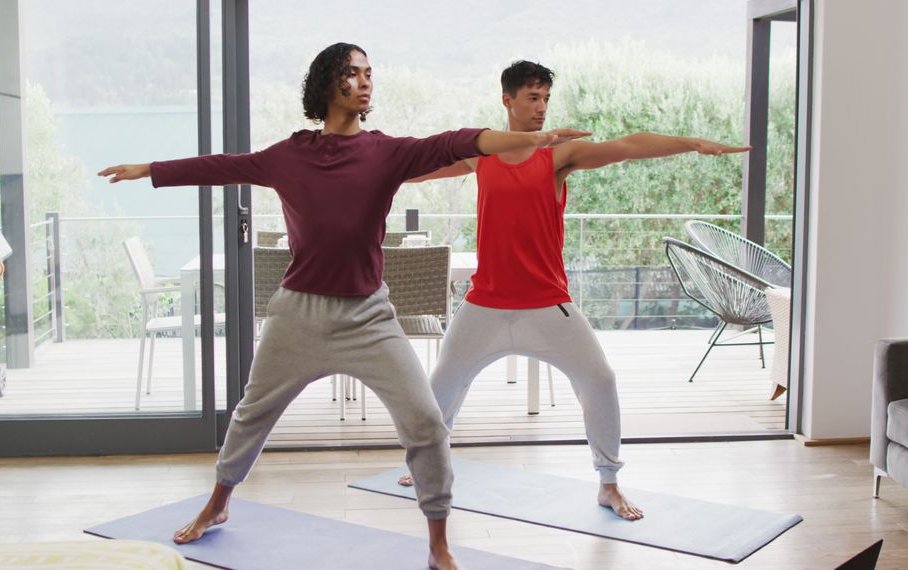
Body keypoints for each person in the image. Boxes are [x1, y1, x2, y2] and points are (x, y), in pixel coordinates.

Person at [99, 45, 588, 570]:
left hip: (368, 318)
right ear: (329, 84)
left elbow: (458, 141)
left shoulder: (387, 152)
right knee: (251, 415)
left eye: (370, 73)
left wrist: (532, 139)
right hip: (297, 315)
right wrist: (149, 169)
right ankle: (217, 506)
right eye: (353, 73)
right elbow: (223, 165)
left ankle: (438, 543)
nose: (365, 81)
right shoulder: (289, 155)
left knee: (425, 420)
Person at [399, 60, 750, 521]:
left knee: (600, 381)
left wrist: (690, 144)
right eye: (532, 98)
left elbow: (627, 146)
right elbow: (416, 170)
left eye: (546, 98)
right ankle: (425, 463)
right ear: (507, 100)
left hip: (548, 304)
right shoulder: (480, 154)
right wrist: (361, 173)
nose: (541, 108)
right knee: (442, 384)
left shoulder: (557, 157)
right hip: (484, 303)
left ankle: (608, 483)